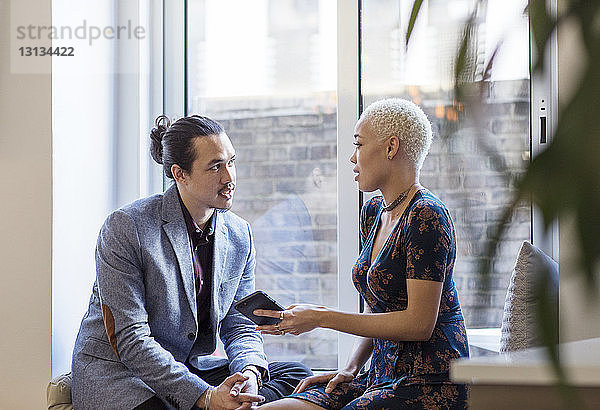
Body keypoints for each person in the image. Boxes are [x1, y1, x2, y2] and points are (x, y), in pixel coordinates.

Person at [71, 115, 311, 410]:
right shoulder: (126, 227)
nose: (229, 177)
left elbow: (239, 324)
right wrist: (205, 396)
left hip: (187, 365)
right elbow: (131, 339)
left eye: (231, 162)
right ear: (180, 174)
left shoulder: (239, 234)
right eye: (215, 166)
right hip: (123, 374)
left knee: (296, 376)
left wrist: (249, 372)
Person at [255, 98, 470, 409]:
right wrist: (351, 367)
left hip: (429, 380)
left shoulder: (426, 216)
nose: (352, 157)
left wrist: (321, 317)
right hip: (379, 374)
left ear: (390, 147)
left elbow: (418, 324)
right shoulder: (373, 211)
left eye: (358, 144)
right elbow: (378, 306)